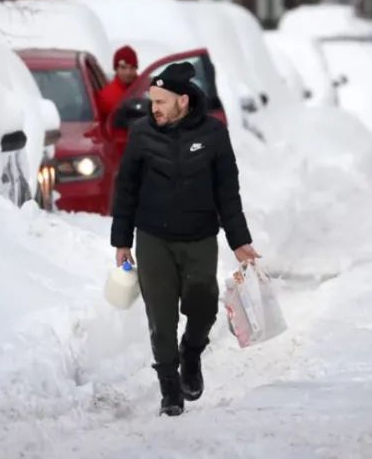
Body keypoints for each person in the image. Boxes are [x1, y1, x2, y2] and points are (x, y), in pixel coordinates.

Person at [110, 62, 260, 417]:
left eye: (161, 101)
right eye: (152, 101)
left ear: (182, 100)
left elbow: (228, 192)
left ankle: (191, 354)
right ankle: (169, 390)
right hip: (153, 238)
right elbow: (126, 188)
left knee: (203, 305)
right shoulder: (142, 133)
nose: (154, 108)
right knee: (160, 318)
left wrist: (239, 240)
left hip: (199, 238)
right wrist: (122, 240)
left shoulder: (213, 133)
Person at [96, 45, 140, 121]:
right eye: (123, 67)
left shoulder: (146, 91)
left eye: (132, 67)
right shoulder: (106, 97)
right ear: (116, 68)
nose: (128, 72)